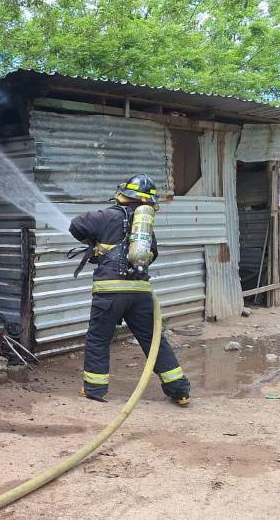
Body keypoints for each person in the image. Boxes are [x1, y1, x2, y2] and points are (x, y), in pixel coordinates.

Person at [68, 174, 191, 407]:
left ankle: (95, 389)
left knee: (98, 338)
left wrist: (97, 245)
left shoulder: (106, 216)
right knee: (153, 340)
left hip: (110, 291)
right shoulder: (144, 227)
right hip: (140, 291)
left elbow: (75, 225)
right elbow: (151, 255)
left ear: (124, 194)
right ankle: (179, 390)